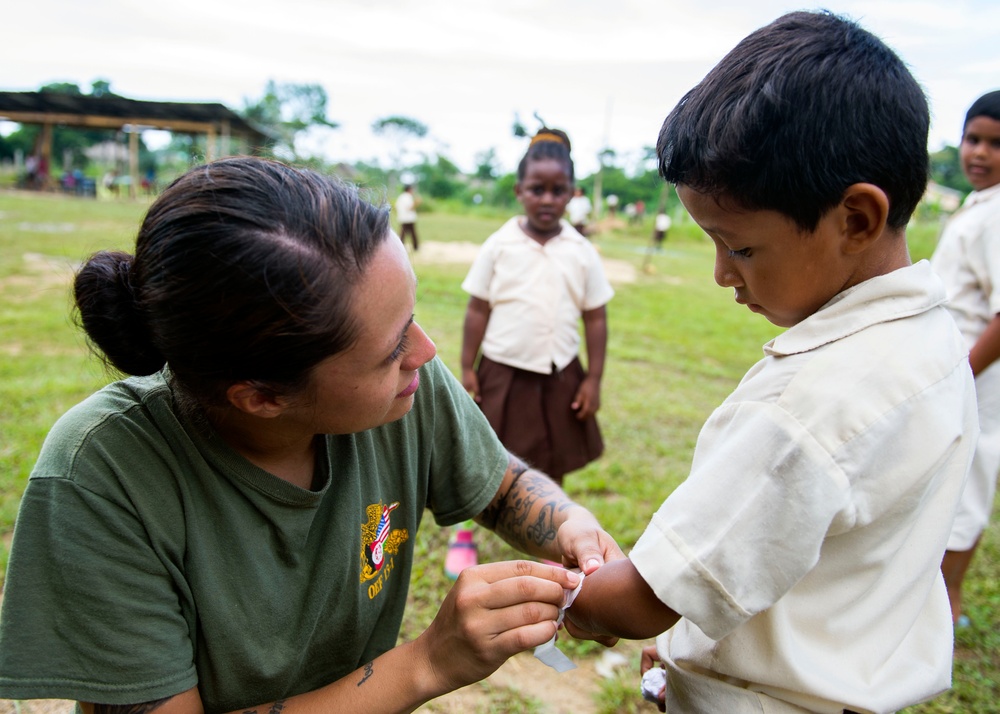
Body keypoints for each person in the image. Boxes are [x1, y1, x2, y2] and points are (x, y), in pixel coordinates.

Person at [0, 157, 623, 713]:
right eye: (388, 351)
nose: (424, 353)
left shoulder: (406, 383)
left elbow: (499, 482)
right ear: (262, 397)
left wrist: (567, 524)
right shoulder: (101, 474)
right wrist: (429, 662)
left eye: (412, 319)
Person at [563, 11, 978, 714]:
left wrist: (575, 598)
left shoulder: (806, 405)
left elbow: (641, 602)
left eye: (742, 249)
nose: (724, 275)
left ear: (855, 219)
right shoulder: (932, 341)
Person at [449, 129, 614, 580]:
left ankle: (554, 541)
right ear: (519, 191)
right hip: (503, 373)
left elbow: (595, 318)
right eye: (536, 189)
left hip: (560, 376)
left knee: (552, 460)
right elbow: (477, 309)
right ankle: (461, 534)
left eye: (558, 190)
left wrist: (593, 378)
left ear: (571, 194)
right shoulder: (500, 245)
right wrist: (467, 366)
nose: (547, 198)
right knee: (481, 461)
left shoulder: (581, 252)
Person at [930, 89, 1000, 628]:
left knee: (969, 481)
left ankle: (947, 605)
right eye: (973, 138)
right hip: (955, 369)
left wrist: (962, 372)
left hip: (979, 376)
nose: (980, 152)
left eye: (996, 144)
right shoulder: (976, 205)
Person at [394, 183, 419, 251]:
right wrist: (416, 202)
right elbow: (409, 208)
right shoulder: (408, 197)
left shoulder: (401, 197)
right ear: (409, 190)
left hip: (403, 218)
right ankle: (415, 247)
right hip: (409, 218)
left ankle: (400, 246)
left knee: (403, 233)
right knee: (412, 233)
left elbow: (396, 207)